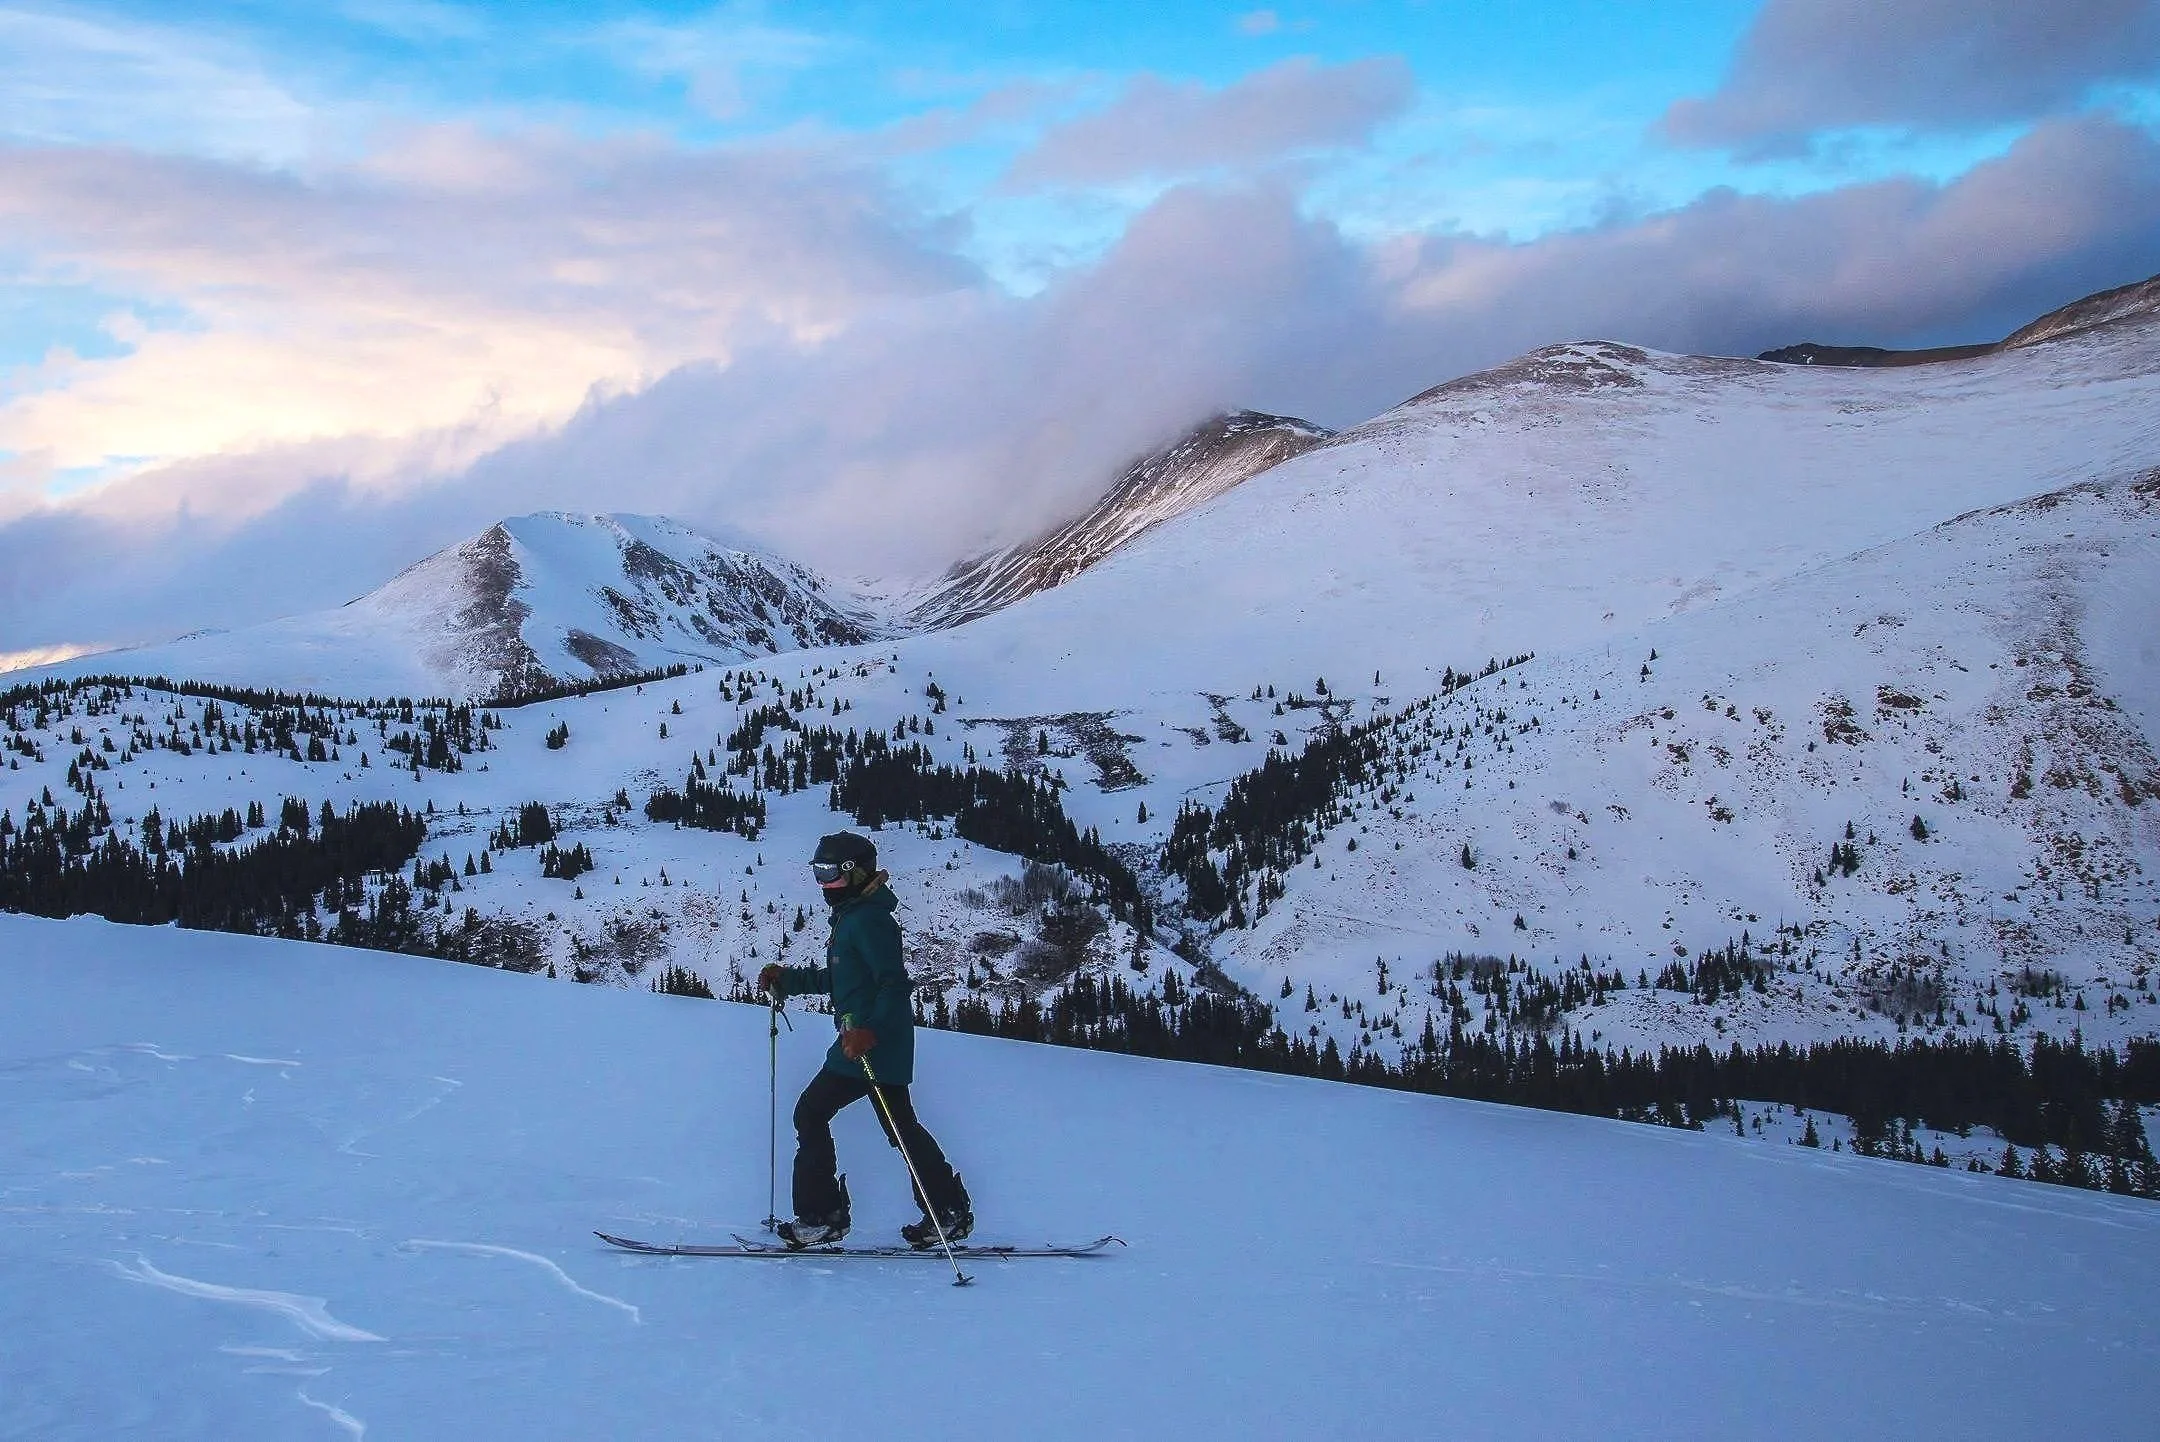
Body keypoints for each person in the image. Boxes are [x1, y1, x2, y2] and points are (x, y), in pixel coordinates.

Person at [757, 830, 973, 1250]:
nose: (824, 884)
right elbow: (842, 978)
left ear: (855, 873)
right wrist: (789, 980)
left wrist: (869, 1032)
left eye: (830, 874)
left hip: (872, 1046)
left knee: (813, 1113)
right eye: (818, 873)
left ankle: (823, 1216)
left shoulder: (869, 921)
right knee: (898, 1127)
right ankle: (946, 1210)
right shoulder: (852, 917)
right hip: (863, 1044)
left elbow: (894, 984)